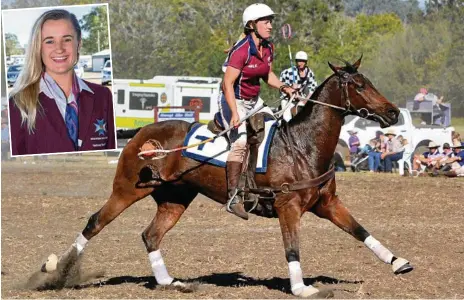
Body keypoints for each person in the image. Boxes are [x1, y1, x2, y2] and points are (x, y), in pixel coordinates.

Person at [219, 3, 295, 220]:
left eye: (271, 21)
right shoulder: (241, 50)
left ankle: (256, 185)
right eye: (266, 21)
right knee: (240, 143)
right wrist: (234, 114)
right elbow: (227, 84)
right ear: (252, 25)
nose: (270, 26)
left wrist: (284, 87)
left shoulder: (268, 47)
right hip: (232, 99)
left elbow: (267, 75)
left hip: (254, 101)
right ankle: (233, 197)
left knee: (275, 130)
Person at [9, 9, 115, 156]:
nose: (59, 49)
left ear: (78, 44)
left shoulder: (103, 96)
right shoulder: (18, 104)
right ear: (38, 48)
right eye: (50, 41)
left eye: (67, 39)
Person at [279, 51, 317, 121]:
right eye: (298, 61)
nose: (300, 63)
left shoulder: (310, 73)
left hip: (302, 98)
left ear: (306, 62)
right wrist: (290, 88)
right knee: (287, 118)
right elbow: (281, 86)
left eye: (302, 61)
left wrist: (305, 100)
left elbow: (313, 87)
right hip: (288, 100)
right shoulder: (287, 72)